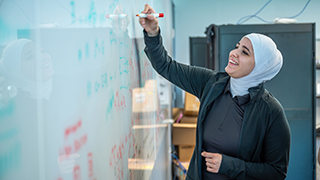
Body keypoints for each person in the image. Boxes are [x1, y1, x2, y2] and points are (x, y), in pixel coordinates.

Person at [139, 4, 291, 180]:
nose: (234, 53)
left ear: (260, 67)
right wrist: (152, 32)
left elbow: (277, 172)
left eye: (245, 52)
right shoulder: (210, 83)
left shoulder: (271, 111)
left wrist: (229, 165)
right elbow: (166, 66)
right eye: (237, 46)